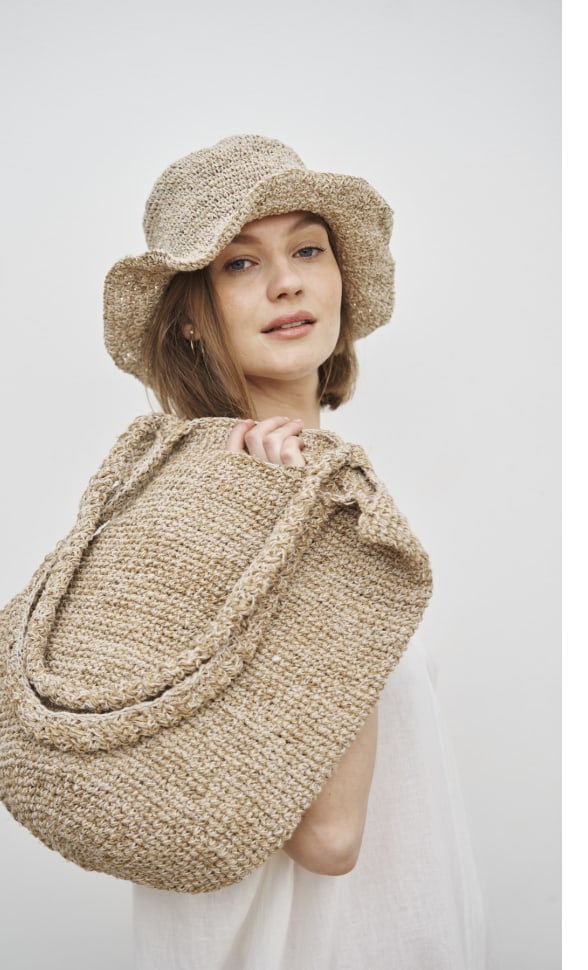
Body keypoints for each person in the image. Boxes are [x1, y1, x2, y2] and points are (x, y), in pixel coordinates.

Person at [98, 135, 491, 969]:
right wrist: (317, 546)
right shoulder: (212, 505)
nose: (287, 282)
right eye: (239, 264)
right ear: (190, 318)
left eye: (308, 249)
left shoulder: (316, 486)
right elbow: (330, 838)